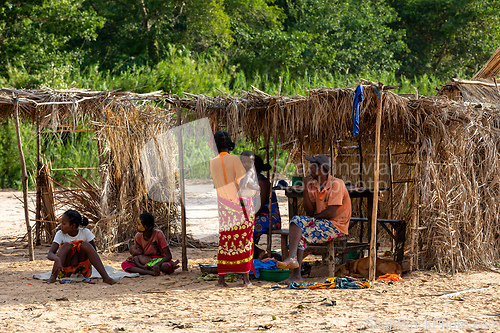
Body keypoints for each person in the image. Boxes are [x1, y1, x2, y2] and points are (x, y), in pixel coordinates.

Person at [279, 154, 351, 283]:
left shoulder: (337, 184)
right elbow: (310, 211)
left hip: (336, 225)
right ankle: (292, 259)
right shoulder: (313, 185)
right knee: (296, 220)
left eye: (311, 165)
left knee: (302, 234)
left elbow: (330, 213)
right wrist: (306, 188)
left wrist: (312, 220)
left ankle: (296, 276)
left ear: (319, 169)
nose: (308, 168)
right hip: (322, 221)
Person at [210, 131, 254, 287]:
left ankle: (221, 279)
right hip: (239, 204)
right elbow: (242, 183)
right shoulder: (235, 159)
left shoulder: (212, 162)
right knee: (244, 239)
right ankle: (245, 280)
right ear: (229, 143)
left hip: (223, 205)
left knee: (226, 239)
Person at [47, 210, 117, 284]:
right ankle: (53, 277)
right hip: (65, 271)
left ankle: (106, 277)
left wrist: (77, 256)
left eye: (64, 224)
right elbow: (50, 254)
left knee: (85, 245)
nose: (61, 226)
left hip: (83, 270)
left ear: (73, 225)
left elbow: (93, 253)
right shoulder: (60, 234)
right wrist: (57, 259)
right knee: (66, 246)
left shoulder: (85, 232)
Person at [253, 155, 281, 259]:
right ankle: (256, 253)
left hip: (270, 218)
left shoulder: (262, 182)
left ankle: (258, 253)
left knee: (243, 228)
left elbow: (258, 207)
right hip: (258, 216)